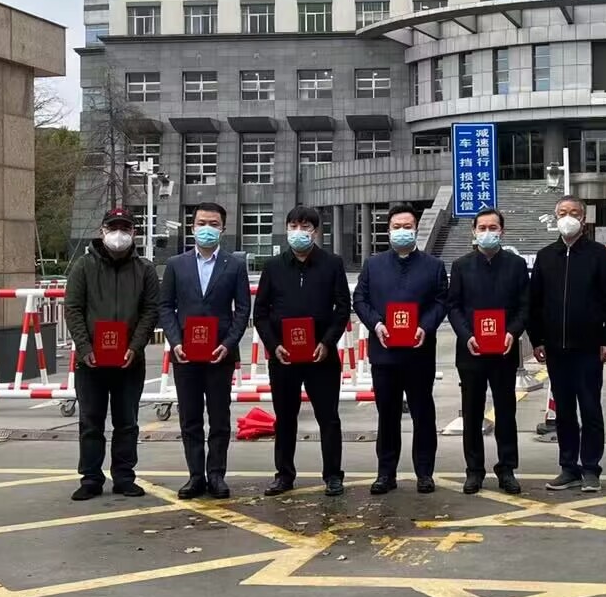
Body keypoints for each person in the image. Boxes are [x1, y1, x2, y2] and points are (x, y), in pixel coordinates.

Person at [253, 205, 351, 497]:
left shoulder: (332, 264)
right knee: (285, 417)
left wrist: (327, 342)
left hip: (321, 355)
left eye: (305, 227)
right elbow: (261, 313)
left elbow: (342, 309)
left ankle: (333, 475)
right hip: (283, 357)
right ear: (287, 230)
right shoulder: (273, 267)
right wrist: (274, 346)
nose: (299, 232)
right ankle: (284, 474)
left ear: (316, 232)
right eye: (294, 226)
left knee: (328, 417)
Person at [64, 208, 160, 502]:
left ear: (134, 233)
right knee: (90, 422)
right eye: (113, 227)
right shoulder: (83, 267)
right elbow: (73, 309)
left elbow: (150, 311)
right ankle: (91, 478)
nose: (119, 234)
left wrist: (136, 346)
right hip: (91, 362)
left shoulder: (145, 270)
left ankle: (124, 476)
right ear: (102, 231)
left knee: (127, 422)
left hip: (130, 361)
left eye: (125, 228)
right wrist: (85, 348)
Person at [528, 195, 606, 493]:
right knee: (564, 411)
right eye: (562, 212)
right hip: (556, 349)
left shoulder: (599, 255)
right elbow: (534, 302)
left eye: (574, 213)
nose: (568, 218)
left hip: (589, 348)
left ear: (583, 218)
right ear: (555, 217)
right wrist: (537, 339)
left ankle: (591, 468)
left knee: (591, 409)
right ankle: (568, 467)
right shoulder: (546, 256)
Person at [159, 202, 252, 500]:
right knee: (190, 417)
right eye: (201, 223)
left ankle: (216, 475)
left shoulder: (234, 265)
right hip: (185, 354)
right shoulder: (176, 264)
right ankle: (195, 476)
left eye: (213, 224)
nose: (207, 229)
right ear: (192, 227)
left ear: (222, 228)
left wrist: (229, 343)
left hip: (219, 354)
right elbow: (165, 307)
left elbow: (243, 310)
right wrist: (176, 342)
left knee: (220, 417)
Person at [353, 203, 447, 494]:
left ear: (416, 229)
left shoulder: (433, 266)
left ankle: (424, 473)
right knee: (387, 415)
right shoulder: (373, 265)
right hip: (385, 354)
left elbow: (441, 301)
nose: (402, 231)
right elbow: (360, 300)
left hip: (419, 353)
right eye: (397, 227)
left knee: (423, 414)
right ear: (388, 230)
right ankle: (386, 473)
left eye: (408, 227)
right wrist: (376, 324)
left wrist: (425, 326)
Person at [445, 208, 529, 495]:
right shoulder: (461, 265)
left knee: (506, 412)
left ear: (502, 231)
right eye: (482, 228)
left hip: (504, 350)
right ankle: (474, 470)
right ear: (473, 231)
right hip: (471, 351)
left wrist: (512, 332)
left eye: (493, 228)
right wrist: (466, 335)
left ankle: (507, 469)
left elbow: (524, 306)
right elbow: (453, 306)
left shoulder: (516, 265)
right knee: (472, 412)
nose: (487, 232)